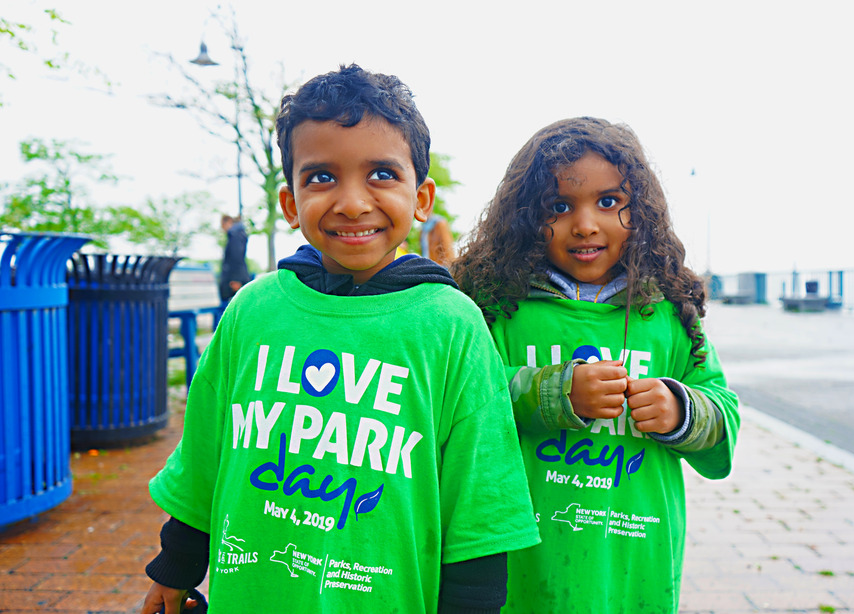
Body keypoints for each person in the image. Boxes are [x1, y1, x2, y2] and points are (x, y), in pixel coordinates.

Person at [140, 64, 540, 614]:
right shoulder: (254, 310)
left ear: (421, 199)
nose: (352, 202)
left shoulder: (452, 325)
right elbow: (204, 458)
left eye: (381, 174)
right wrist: (174, 568)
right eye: (322, 177)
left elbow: (481, 511)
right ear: (290, 204)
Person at [452, 117, 740, 613]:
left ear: (641, 211)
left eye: (609, 202)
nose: (585, 224)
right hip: (527, 556)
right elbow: (468, 404)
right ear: (524, 217)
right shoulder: (500, 308)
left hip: (634, 557)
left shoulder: (669, 313)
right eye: (558, 207)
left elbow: (724, 419)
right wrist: (555, 393)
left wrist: (680, 410)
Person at [218, 214, 251, 304]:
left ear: (228, 222)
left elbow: (236, 257)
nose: (223, 229)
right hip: (236, 277)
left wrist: (237, 279)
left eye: (222, 226)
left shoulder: (235, 235)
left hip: (234, 280)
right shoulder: (237, 234)